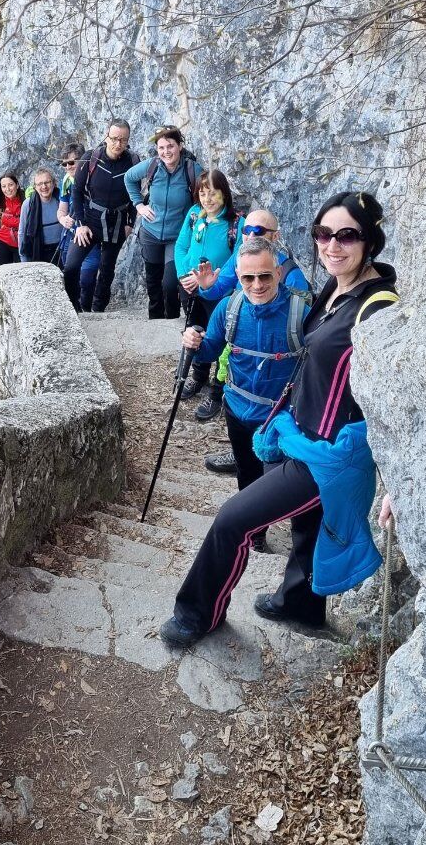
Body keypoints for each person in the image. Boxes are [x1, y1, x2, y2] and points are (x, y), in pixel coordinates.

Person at [158, 190, 398, 647]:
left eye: (347, 235)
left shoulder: (378, 307)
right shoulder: (336, 290)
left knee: (232, 518)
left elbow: (400, 400)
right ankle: (301, 605)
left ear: (370, 240)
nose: (333, 245)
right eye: (324, 234)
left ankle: (197, 615)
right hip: (301, 434)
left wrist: (401, 484)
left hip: (328, 456)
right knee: (306, 525)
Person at [180, 237, 309, 548]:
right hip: (237, 411)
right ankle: (256, 536)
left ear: (279, 273)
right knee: (247, 478)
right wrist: (194, 344)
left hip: (283, 420)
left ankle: (299, 547)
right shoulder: (230, 307)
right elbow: (210, 349)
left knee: (282, 487)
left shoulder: (302, 312)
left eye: (265, 276)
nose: (257, 285)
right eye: (248, 278)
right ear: (238, 276)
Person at [192, 208, 311, 420]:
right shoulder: (240, 257)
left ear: (275, 236)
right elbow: (217, 290)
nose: (251, 235)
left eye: (259, 230)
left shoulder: (293, 277)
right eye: (247, 229)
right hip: (239, 335)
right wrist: (207, 287)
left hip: (276, 394)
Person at [124, 127, 203, 319]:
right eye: (161, 147)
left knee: (169, 283)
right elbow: (129, 178)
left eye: (171, 146)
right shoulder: (152, 166)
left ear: (180, 146)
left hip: (176, 237)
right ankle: (155, 320)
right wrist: (138, 205)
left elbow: (204, 196)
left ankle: (172, 320)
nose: (166, 151)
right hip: (150, 232)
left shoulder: (192, 169)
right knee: (152, 280)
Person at [63, 119, 139, 313]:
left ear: (128, 140)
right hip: (89, 221)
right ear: (107, 136)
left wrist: (131, 221)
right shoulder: (90, 159)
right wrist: (79, 224)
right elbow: (77, 192)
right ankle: (74, 308)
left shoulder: (132, 161)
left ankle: (98, 311)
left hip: (118, 223)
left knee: (106, 270)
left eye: (123, 140)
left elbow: (135, 195)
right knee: (71, 267)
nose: (118, 144)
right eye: (114, 138)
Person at [174, 169, 239, 376]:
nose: (207, 199)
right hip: (189, 287)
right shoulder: (194, 214)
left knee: (217, 335)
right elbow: (181, 246)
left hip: (218, 293)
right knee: (194, 330)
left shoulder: (236, 224)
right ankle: (198, 374)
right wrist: (184, 275)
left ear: (224, 194)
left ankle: (219, 384)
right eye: (202, 194)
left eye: (213, 193)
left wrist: (207, 282)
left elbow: (235, 262)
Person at [57, 143, 100, 309]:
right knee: (70, 274)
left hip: (90, 236)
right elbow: (62, 209)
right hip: (70, 236)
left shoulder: (94, 180)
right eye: (65, 163)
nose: (68, 166)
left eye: (72, 162)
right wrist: (62, 219)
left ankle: (88, 312)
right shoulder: (66, 182)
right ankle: (74, 311)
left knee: (87, 278)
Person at [19, 169, 63, 263]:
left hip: (62, 250)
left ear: (54, 183)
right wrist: (23, 259)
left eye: (47, 182)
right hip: (38, 250)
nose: (44, 186)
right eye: (39, 184)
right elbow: (22, 232)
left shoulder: (62, 200)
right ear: (34, 187)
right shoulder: (28, 204)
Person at [0, 173, 23, 265]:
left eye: (10, 185)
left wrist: (7, 220)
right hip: (1, 242)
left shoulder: (26, 201)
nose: (7, 189)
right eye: (3, 186)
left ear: (17, 185)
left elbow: (27, 223)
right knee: (4, 272)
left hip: (21, 242)